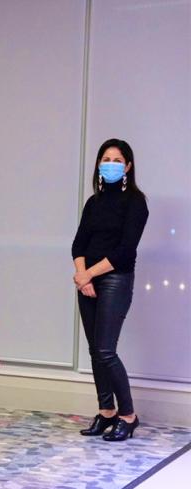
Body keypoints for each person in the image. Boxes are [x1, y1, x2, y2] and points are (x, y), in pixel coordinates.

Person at [72, 139, 148, 442]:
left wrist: (88, 273)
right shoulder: (94, 202)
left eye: (117, 160)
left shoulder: (136, 202)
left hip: (115, 279)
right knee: (94, 350)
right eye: (106, 158)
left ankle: (128, 415)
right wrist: (82, 276)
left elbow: (125, 251)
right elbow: (79, 244)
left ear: (128, 166)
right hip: (86, 280)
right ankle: (106, 412)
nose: (111, 164)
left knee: (105, 350)